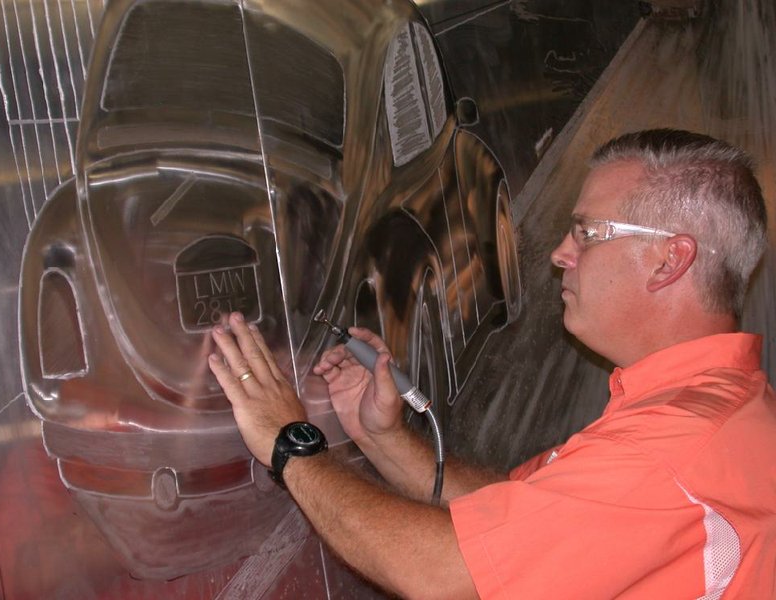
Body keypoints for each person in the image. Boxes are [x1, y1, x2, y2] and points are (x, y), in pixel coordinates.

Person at [208, 129, 776, 599]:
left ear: (668, 260)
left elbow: (442, 572)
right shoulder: (715, 409)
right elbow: (507, 521)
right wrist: (381, 436)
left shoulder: (671, 455)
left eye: (587, 232)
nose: (561, 253)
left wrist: (292, 443)